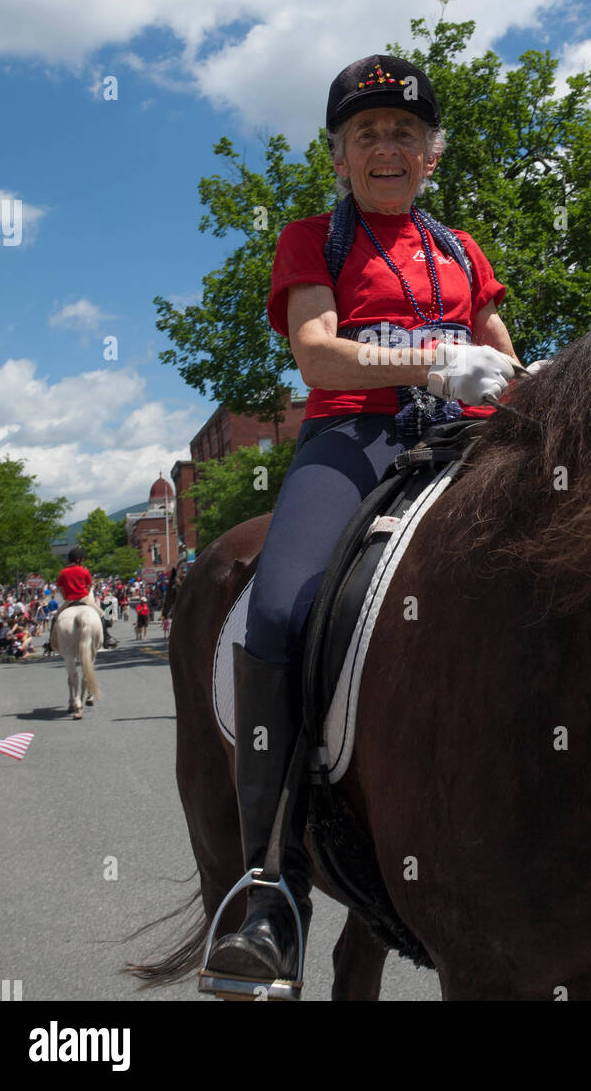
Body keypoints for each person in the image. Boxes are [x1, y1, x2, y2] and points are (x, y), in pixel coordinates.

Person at [205, 54, 521, 997]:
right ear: (340, 158)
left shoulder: (465, 249)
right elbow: (316, 348)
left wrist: (538, 386)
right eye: (366, 135)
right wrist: (431, 365)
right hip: (356, 437)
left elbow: (507, 355)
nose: (387, 148)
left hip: (473, 440)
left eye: (405, 134)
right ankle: (272, 887)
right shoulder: (312, 238)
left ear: (433, 154)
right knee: (284, 607)